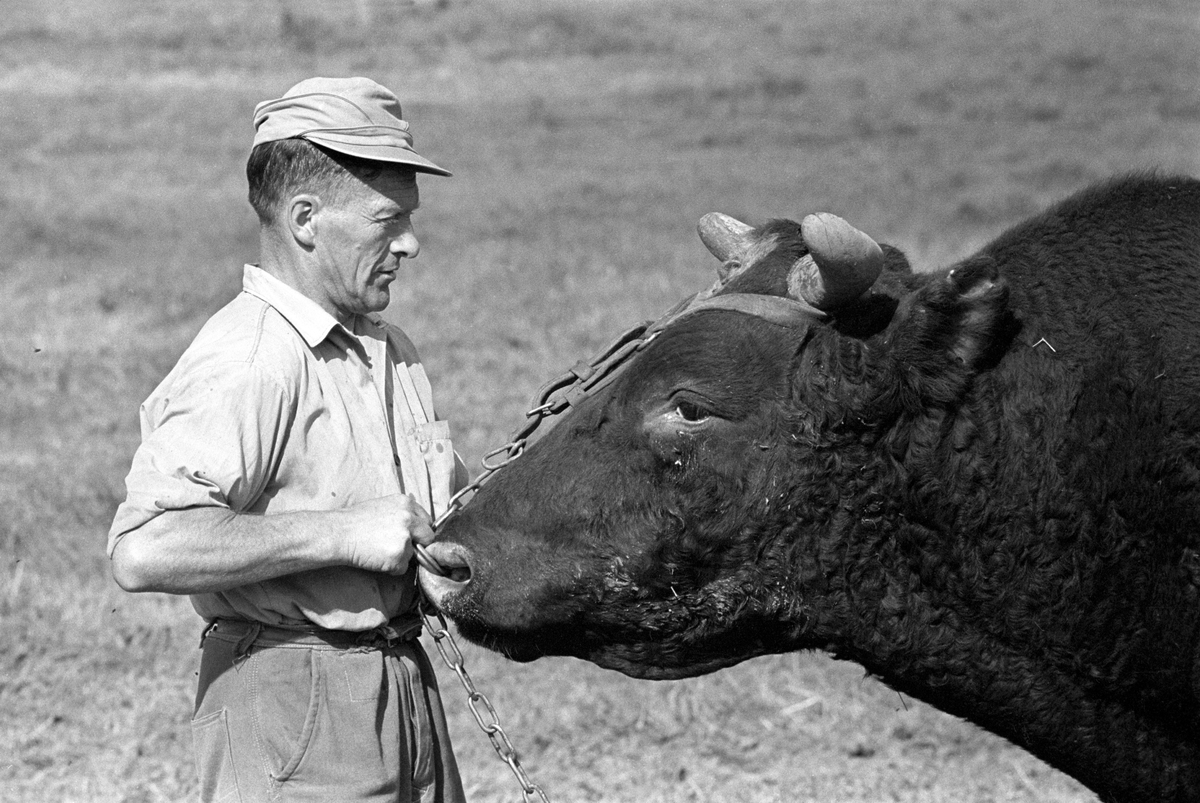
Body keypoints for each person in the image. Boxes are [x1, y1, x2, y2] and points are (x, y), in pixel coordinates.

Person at [108, 76, 468, 803]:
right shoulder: (250, 359)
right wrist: (339, 534)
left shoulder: (385, 345)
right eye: (388, 219)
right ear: (307, 219)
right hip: (291, 702)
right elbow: (144, 546)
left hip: (401, 686)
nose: (411, 243)